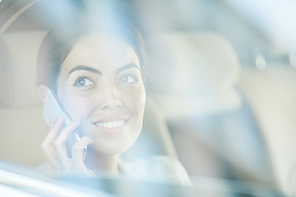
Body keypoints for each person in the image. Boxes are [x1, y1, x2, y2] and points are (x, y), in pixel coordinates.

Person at [36, 17, 191, 185]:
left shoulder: (168, 174)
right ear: (51, 99)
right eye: (84, 81)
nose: (112, 100)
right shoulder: (23, 188)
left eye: (127, 78)